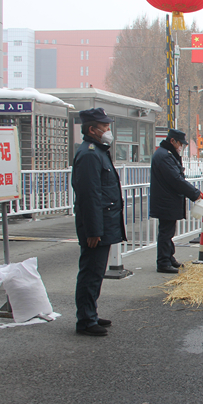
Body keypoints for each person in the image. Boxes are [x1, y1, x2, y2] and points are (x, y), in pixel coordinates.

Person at [72, 108, 127, 337]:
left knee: (96, 273)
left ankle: (90, 313)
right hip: (96, 226)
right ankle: (85, 320)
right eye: (105, 126)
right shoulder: (89, 154)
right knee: (91, 273)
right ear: (93, 130)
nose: (108, 130)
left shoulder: (98, 152)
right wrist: (93, 231)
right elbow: (89, 196)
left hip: (104, 223)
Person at [150, 128, 202, 273]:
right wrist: (194, 193)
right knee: (166, 232)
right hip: (165, 200)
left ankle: (168, 257)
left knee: (168, 232)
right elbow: (175, 179)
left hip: (167, 199)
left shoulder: (166, 154)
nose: (181, 147)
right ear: (172, 141)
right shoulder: (164, 156)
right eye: (180, 144)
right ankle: (163, 261)